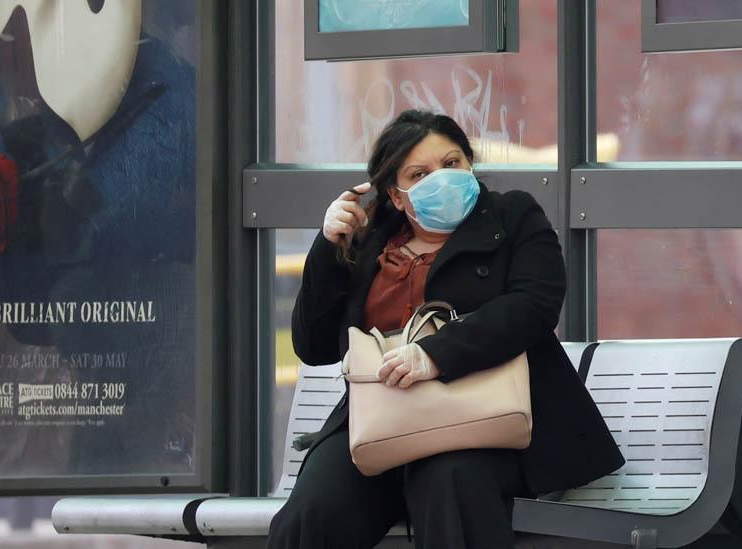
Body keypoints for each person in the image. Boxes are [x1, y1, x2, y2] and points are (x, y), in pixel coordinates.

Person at [267, 110, 624, 549]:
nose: (442, 178)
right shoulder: (372, 240)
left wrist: (436, 353)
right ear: (397, 197)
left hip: (487, 422)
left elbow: (534, 306)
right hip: (382, 424)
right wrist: (327, 249)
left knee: (450, 482)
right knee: (312, 513)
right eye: (420, 173)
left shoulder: (513, 216)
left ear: (470, 164)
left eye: (452, 163)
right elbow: (314, 345)